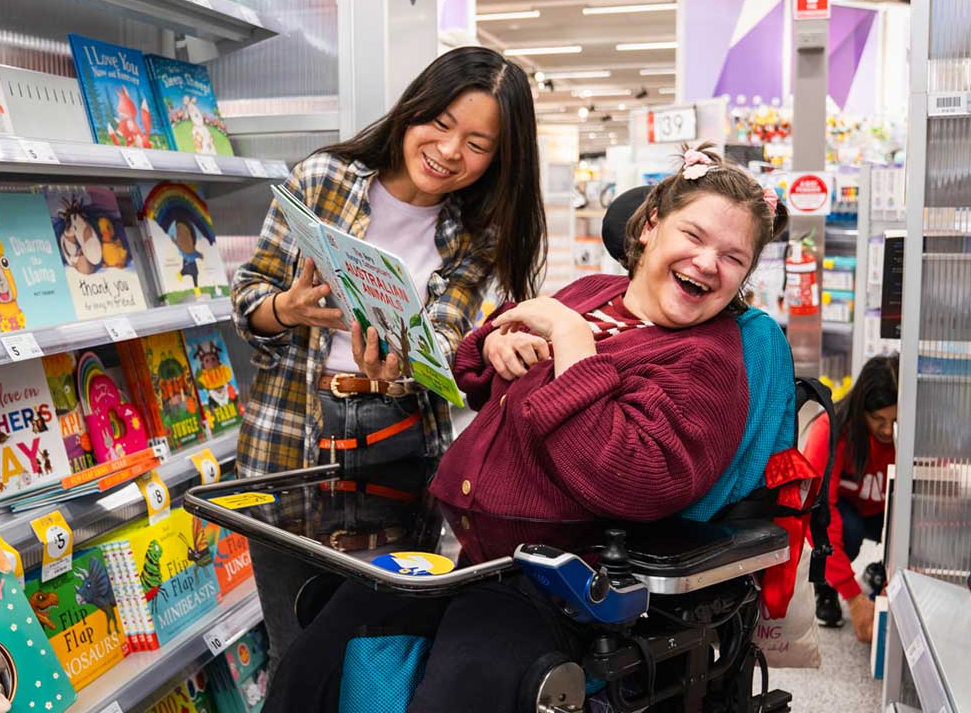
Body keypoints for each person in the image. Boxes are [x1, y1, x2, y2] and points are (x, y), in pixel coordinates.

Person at [261, 144, 791, 712]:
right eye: (694, 235)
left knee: (457, 691)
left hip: (563, 586)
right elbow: (474, 371)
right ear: (651, 227)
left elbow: (631, 476)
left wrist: (569, 339)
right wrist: (495, 343)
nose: (708, 262)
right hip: (472, 558)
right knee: (317, 656)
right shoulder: (590, 293)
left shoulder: (708, 361)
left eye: (733, 257)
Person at [230, 46, 546, 663]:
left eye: (479, 144)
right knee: (295, 650)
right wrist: (286, 309)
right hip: (289, 434)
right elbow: (248, 298)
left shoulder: (479, 230)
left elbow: (448, 337)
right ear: (413, 111)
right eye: (442, 123)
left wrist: (409, 370)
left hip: (399, 446)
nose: (451, 151)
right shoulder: (323, 179)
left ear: (500, 158)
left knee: (384, 645)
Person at [803, 354, 899, 641]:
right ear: (861, 411)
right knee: (847, 528)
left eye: (895, 421)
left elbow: (922, 509)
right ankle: (826, 587)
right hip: (849, 515)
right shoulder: (831, 431)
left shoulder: (914, 436)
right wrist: (854, 598)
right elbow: (816, 516)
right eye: (878, 419)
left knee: (903, 523)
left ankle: (881, 576)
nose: (886, 430)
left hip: (888, 512)